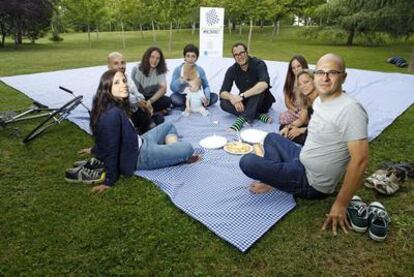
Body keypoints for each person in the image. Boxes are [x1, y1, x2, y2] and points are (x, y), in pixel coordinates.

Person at [239, 53, 369, 236]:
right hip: (300, 160)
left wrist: (341, 204)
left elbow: (360, 160)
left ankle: (273, 178)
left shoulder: (350, 109)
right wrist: (295, 127)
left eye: (332, 73)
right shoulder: (321, 102)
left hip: (311, 181)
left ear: (344, 77)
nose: (325, 78)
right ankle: (274, 178)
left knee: (247, 161)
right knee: (271, 138)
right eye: (320, 72)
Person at [89, 69, 199, 193]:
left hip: (140, 141)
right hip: (140, 156)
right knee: (188, 148)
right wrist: (109, 180)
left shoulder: (114, 103)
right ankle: (175, 153)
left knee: (168, 126)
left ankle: (173, 151)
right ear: (106, 87)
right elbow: (111, 148)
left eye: (124, 81)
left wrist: (94, 150)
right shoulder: (111, 113)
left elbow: (104, 137)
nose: (124, 85)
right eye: (117, 83)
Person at [219, 42, 275, 131]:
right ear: (234, 57)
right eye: (236, 55)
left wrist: (241, 96)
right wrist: (232, 98)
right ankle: (257, 116)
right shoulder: (232, 69)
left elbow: (264, 84)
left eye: (242, 53)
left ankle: (241, 120)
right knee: (223, 103)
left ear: (247, 52)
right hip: (246, 103)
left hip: (262, 102)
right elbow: (222, 92)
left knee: (258, 88)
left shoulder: (259, 64)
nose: (239, 56)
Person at [107, 52, 153, 134]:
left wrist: (143, 101)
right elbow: (126, 97)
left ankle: (146, 123)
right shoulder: (109, 80)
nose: (121, 66)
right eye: (116, 64)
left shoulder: (126, 77)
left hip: (133, 109)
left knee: (152, 106)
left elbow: (135, 91)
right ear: (109, 66)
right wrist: (139, 102)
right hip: (120, 113)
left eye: (123, 63)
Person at [170, 44, 218, 109]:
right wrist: (180, 81)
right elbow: (173, 88)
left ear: (197, 58)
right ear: (184, 57)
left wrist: (207, 97)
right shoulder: (178, 70)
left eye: (193, 56)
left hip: (197, 95)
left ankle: (190, 106)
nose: (190, 59)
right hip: (183, 96)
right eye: (188, 56)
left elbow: (206, 86)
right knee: (173, 98)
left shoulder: (200, 70)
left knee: (215, 96)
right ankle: (194, 105)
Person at [279, 69, 319, 145]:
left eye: (306, 82)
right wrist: (288, 127)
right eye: (300, 84)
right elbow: (301, 120)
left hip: (323, 133)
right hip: (311, 127)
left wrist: (301, 130)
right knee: (283, 128)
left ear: (314, 80)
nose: (303, 86)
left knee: (308, 138)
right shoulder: (306, 98)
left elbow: (325, 128)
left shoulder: (322, 100)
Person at [130, 47, 172, 116]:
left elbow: (163, 89)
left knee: (167, 101)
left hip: (152, 98)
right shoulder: (136, 69)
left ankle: (149, 112)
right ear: (147, 57)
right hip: (140, 97)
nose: (154, 60)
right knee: (133, 107)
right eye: (152, 57)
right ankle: (154, 112)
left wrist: (150, 101)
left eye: (157, 58)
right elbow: (133, 90)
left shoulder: (160, 70)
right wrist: (142, 102)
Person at [279, 55, 309, 126]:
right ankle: (301, 121)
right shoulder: (289, 82)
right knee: (282, 117)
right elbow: (287, 102)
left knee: (307, 118)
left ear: (304, 66)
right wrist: (296, 110)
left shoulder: (310, 80)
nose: (296, 69)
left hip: (308, 109)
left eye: (299, 66)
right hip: (296, 110)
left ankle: (303, 122)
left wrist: (304, 112)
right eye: (293, 68)